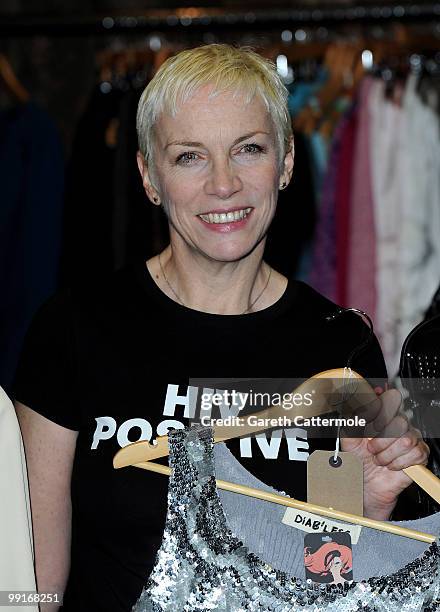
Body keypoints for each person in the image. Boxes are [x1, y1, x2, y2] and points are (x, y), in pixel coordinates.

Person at [13, 44, 429, 612]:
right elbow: (30, 585)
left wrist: (366, 509)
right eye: (190, 157)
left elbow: (323, 581)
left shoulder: (341, 346)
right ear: (148, 175)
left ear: (284, 164)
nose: (224, 184)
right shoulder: (73, 329)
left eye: (249, 150)